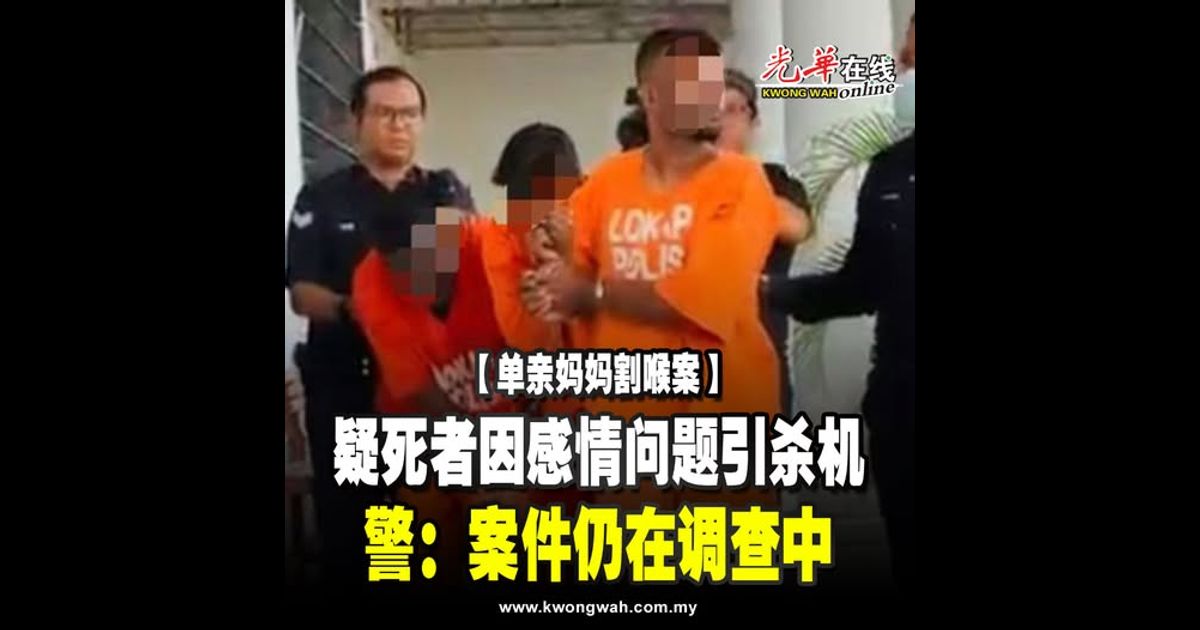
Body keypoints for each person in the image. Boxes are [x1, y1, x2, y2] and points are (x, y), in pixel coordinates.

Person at [523, 28, 782, 510]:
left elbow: (706, 296)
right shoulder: (608, 179)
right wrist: (548, 274)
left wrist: (590, 292)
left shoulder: (743, 181)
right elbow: (564, 255)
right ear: (651, 96)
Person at [351, 122, 584, 581]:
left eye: (431, 259)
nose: (417, 278)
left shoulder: (491, 247)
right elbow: (423, 396)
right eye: (403, 266)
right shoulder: (371, 284)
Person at [285, 65, 473, 588]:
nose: (399, 125)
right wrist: (356, 309)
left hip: (428, 394)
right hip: (346, 388)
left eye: (410, 114)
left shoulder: (445, 194)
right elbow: (302, 292)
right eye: (386, 113)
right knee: (352, 530)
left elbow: (468, 275)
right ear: (356, 121)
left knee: (429, 529)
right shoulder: (322, 198)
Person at [766, 13, 916, 590]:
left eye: (913, 58)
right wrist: (773, 291)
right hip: (903, 409)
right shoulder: (891, 170)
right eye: (904, 57)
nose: (902, 69)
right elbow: (863, 283)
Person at [716, 68, 814, 415]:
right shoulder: (675, 182)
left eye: (733, 110)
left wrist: (727, 177)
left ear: (753, 120)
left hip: (761, 363)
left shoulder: (774, 181)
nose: (721, 122)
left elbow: (796, 225)